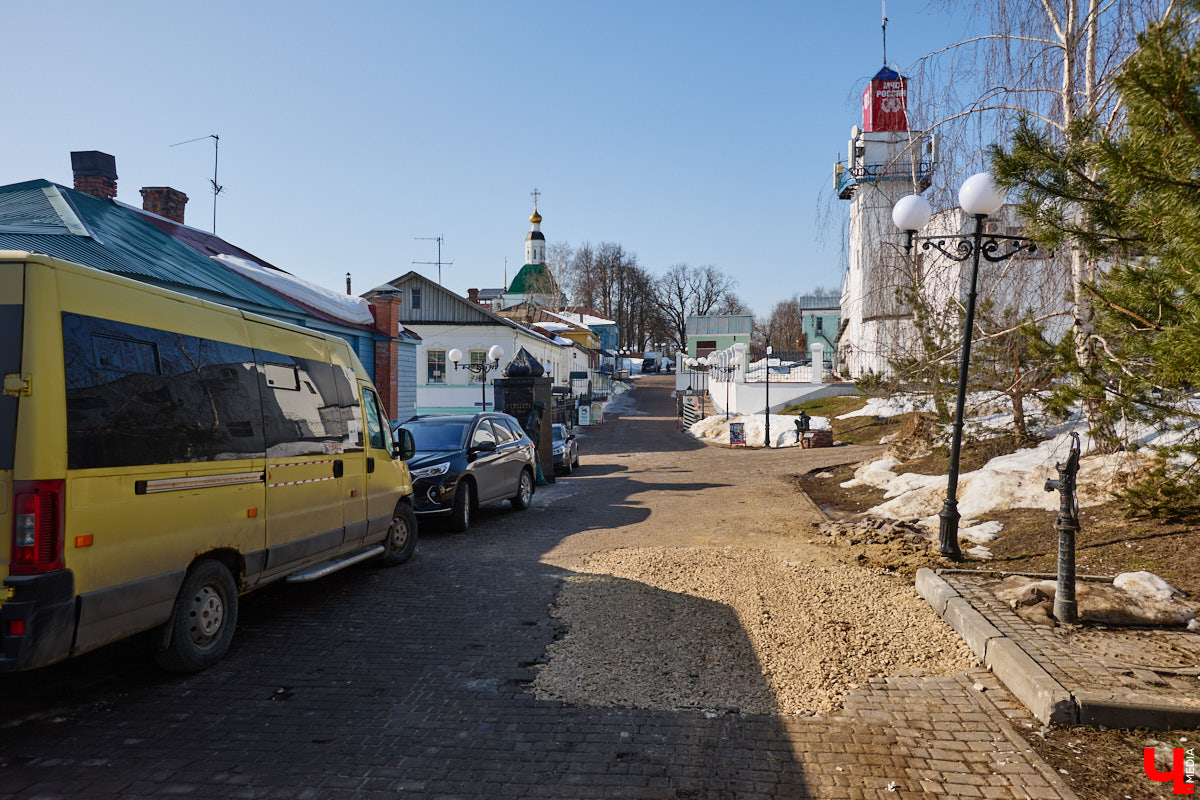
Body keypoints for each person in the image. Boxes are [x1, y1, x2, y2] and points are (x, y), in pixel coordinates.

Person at [524, 401, 548, 485]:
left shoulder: (536, 416)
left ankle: (539, 479)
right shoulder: (534, 416)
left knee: (536, 461)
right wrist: (532, 441)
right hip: (532, 443)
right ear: (540, 409)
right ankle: (540, 479)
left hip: (534, 443)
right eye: (543, 410)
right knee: (536, 461)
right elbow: (529, 428)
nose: (544, 412)